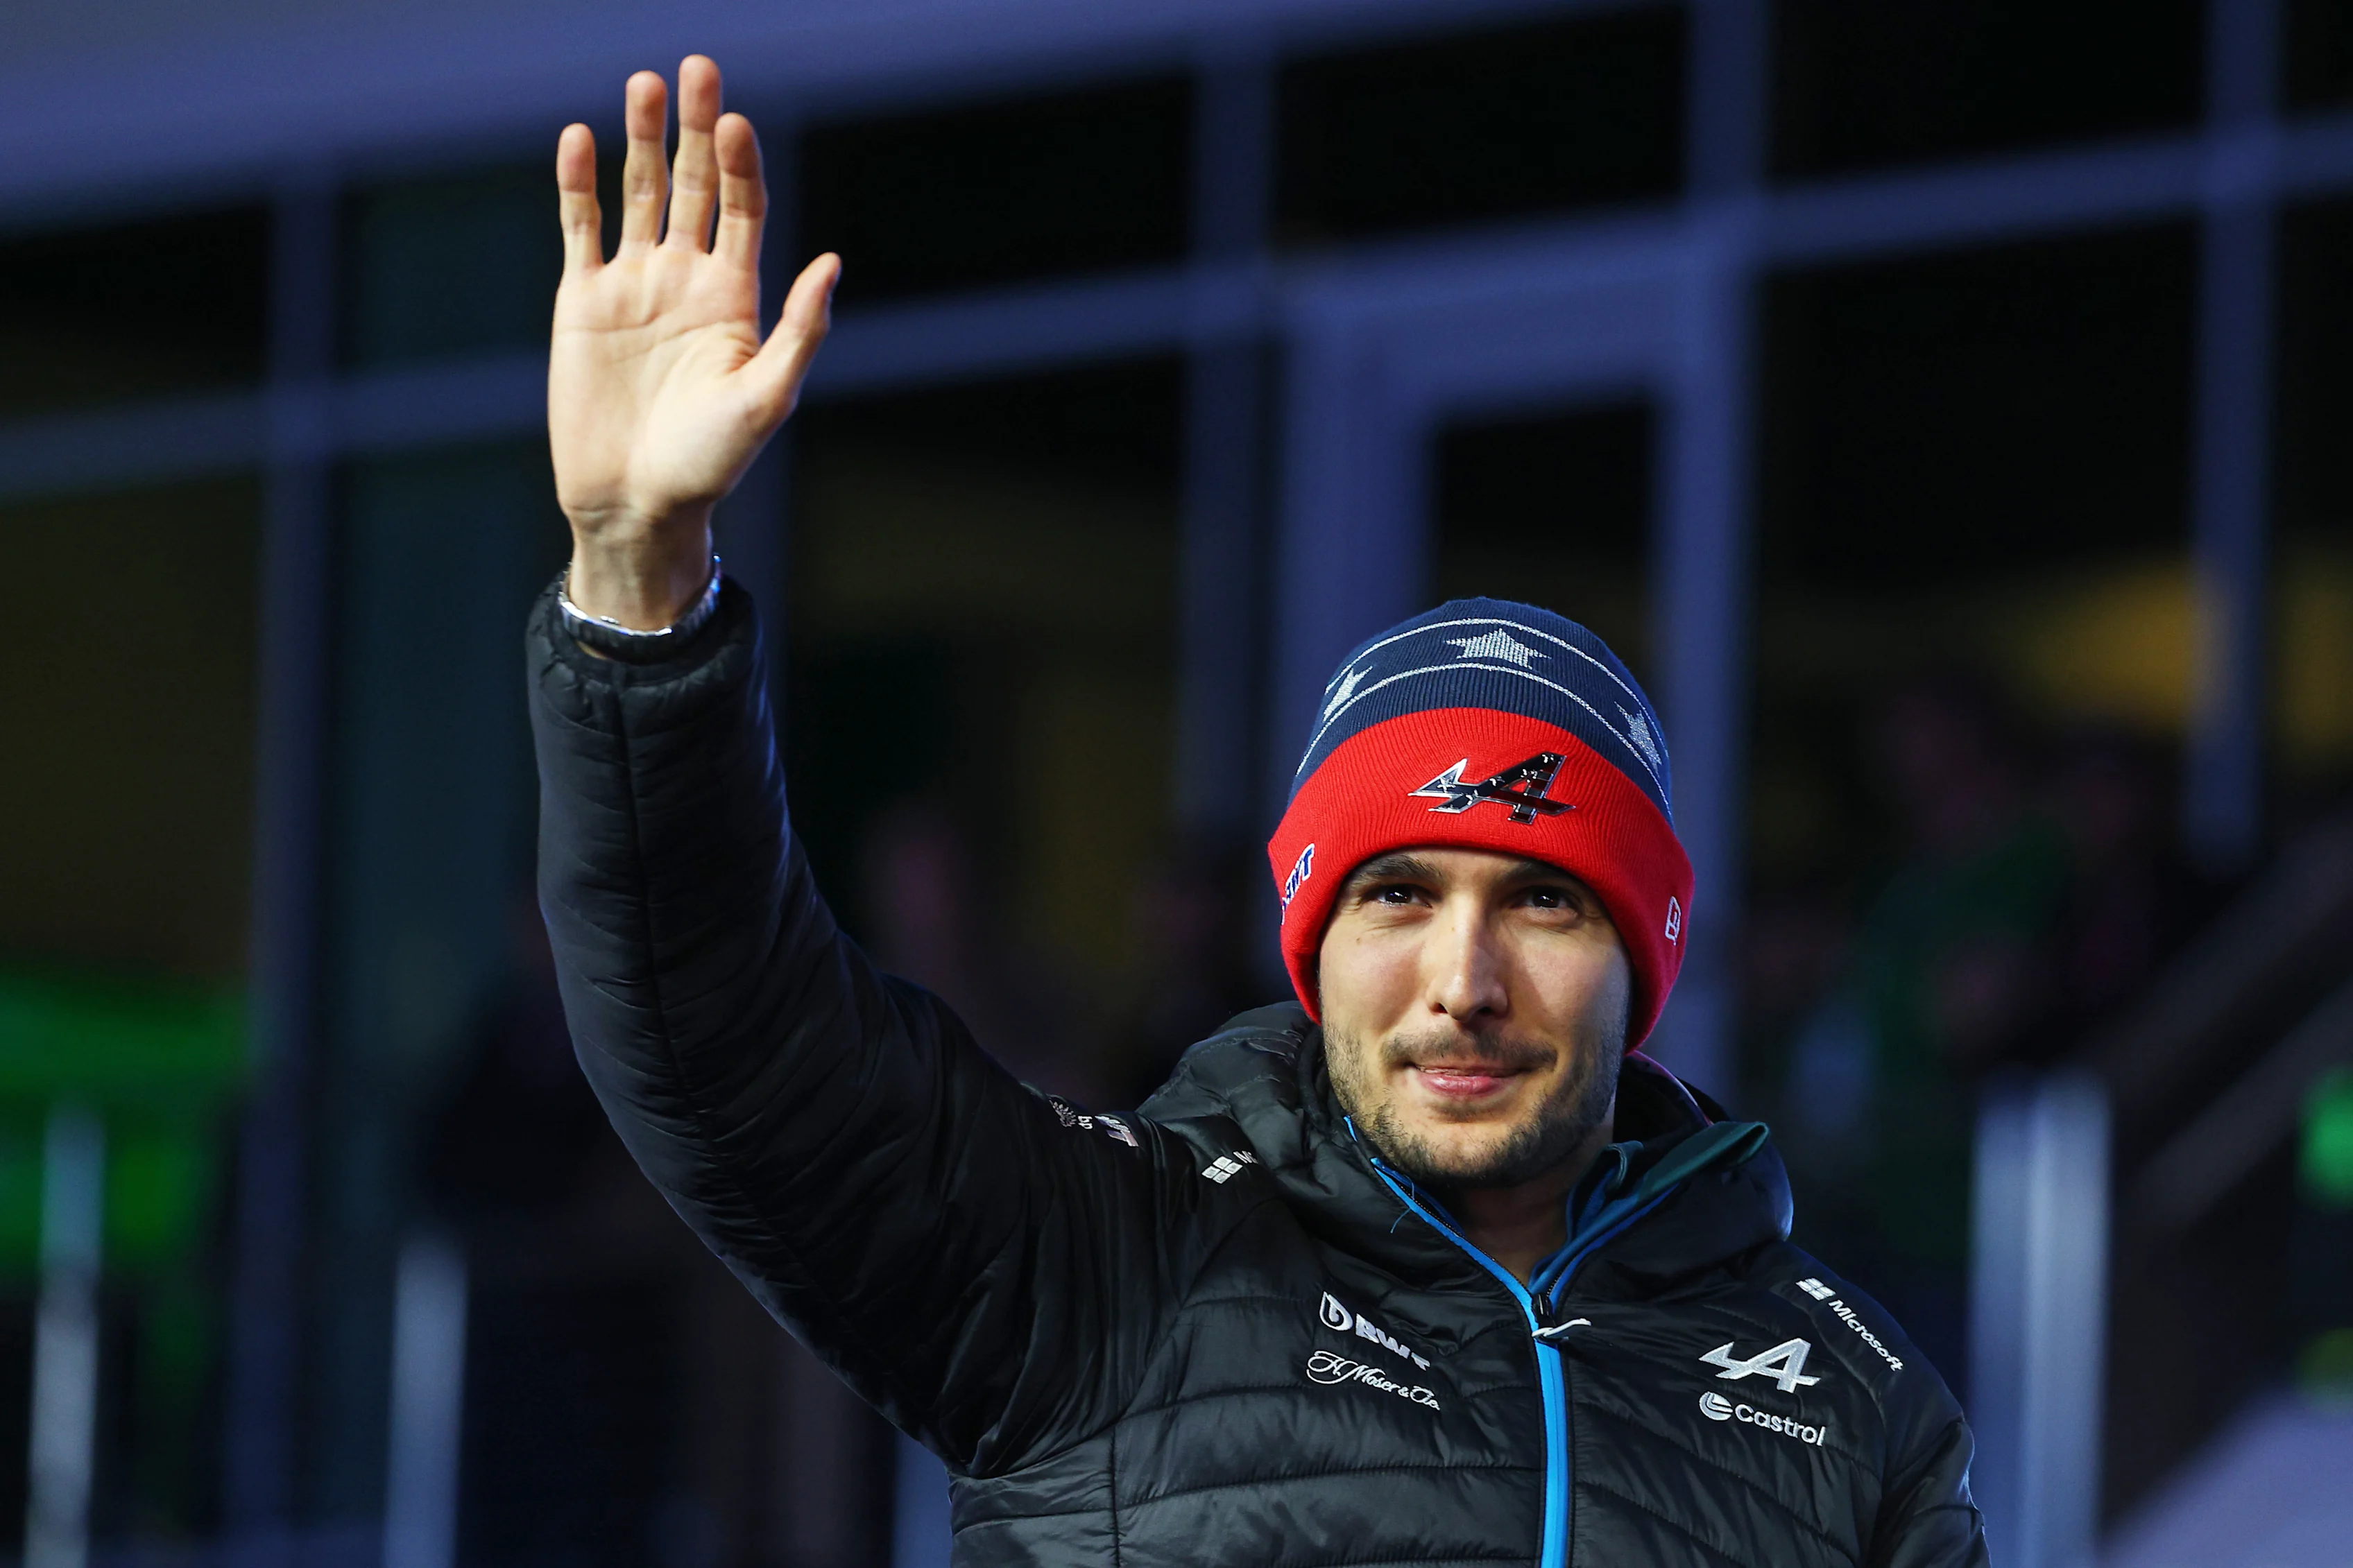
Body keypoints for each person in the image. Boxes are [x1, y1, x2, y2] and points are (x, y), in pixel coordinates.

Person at [531, 55, 1987, 1567]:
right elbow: (720, 1034)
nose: (1463, 982)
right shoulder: (1110, 1255)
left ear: (1647, 947)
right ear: (1309, 934)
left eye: (1544, 899)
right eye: (1397, 893)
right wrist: (640, 583)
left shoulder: (1847, 1400)